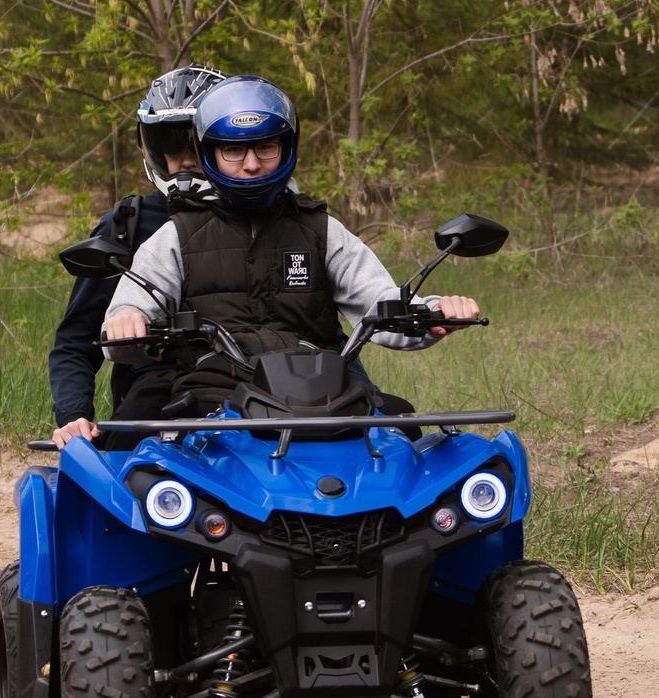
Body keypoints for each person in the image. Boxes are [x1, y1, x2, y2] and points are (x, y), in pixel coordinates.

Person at [100, 76, 478, 419]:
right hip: (213, 401)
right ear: (209, 153)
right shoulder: (175, 236)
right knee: (133, 458)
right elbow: (127, 318)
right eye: (233, 151)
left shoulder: (322, 230)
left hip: (324, 398)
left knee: (407, 439)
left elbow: (380, 306)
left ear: (287, 147)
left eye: (265, 147)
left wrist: (433, 312)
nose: (251, 165)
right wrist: (127, 321)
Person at [47, 65, 226, 446]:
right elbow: (75, 342)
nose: (185, 160)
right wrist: (74, 416)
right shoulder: (127, 225)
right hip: (158, 392)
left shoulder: (266, 215)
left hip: (259, 385)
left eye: (194, 143)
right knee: (117, 474)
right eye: (170, 147)